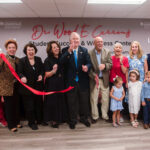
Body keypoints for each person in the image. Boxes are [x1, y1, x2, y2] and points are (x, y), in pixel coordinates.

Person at [60, 32, 92, 129]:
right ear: (70, 41)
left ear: (79, 40)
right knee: (71, 102)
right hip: (71, 82)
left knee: (84, 102)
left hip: (83, 81)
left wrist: (87, 67)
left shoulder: (84, 50)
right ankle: (73, 120)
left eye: (77, 39)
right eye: (73, 39)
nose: (75, 41)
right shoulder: (65, 50)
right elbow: (61, 62)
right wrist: (69, 51)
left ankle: (84, 118)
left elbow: (89, 63)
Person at [17, 43, 44, 130]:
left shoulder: (38, 59)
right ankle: (31, 123)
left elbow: (42, 70)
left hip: (37, 87)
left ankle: (39, 120)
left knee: (38, 105)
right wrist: (22, 77)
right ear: (26, 51)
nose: (31, 51)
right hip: (27, 89)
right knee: (29, 107)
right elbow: (19, 72)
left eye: (32, 50)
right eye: (29, 50)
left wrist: (41, 75)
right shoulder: (22, 61)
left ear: (35, 51)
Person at [43, 41, 68, 128]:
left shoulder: (62, 57)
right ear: (50, 50)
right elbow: (46, 74)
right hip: (52, 84)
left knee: (61, 100)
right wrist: (53, 71)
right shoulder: (48, 60)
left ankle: (62, 118)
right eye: (54, 47)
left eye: (57, 46)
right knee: (53, 102)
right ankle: (54, 120)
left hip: (62, 83)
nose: (57, 48)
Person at [88, 36, 112, 123]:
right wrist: (94, 75)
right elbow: (88, 67)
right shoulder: (89, 53)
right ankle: (95, 117)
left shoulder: (107, 51)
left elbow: (110, 64)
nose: (100, 43)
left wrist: (105, 66)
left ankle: (105, 116)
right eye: (98, 42)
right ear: (94, 43)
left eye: (101, 42)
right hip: (94, 80)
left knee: (105, 99)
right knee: (93, 99)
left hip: (104, 79)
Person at [0, 39, 21, 132]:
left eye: (13, 47)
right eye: (10, 48)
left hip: (16, 86)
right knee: (9, 106)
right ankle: (11, 125)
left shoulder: (18, 59)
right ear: (6, 49)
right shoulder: (3, 58)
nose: (12, 49)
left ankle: (16, 122)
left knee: (16, 105)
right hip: (6, 86)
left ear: (16, 49)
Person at [109, 42, 129, 120]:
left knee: (121, 99)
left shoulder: (125, 59)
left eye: (119, 48)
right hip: (112, 82)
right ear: (114, 49)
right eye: (116, 47)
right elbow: (108, 70)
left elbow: (125, 72)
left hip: (121, 83)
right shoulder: (111, 58)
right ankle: (112, 116)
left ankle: (120, 115)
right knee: (113, 99)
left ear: (121, 50)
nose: (118, 49)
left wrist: (121, 63)